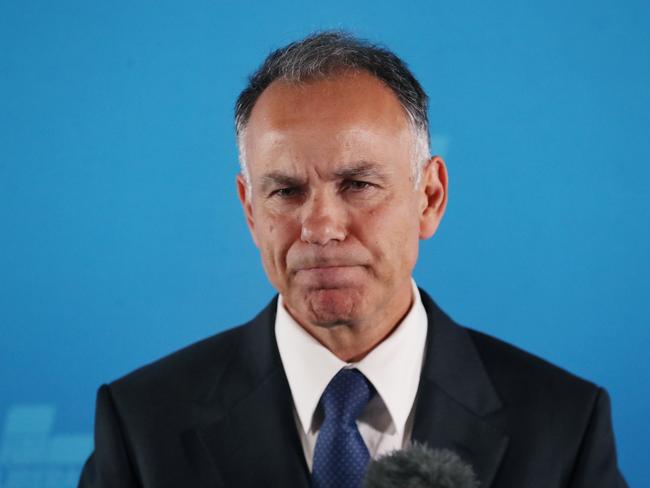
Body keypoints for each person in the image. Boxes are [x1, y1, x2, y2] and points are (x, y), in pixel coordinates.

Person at [78, 31, 627, 488]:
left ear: (429, 198)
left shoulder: (564, 425)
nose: (320, 227)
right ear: (250, 211)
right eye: (286, 191)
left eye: (359, 184)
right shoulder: (140, 426)